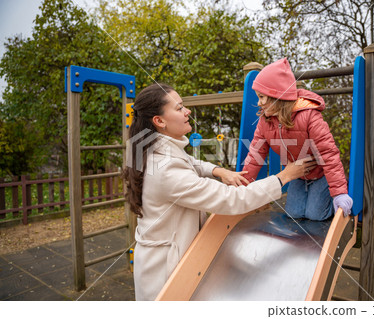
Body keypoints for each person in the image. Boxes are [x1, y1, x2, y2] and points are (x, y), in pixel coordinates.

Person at [123, 83, 314, 300]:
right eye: (179, 108)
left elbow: (189, 162)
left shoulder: (152, 148)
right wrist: (285, 176)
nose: (188, 112)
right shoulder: (166, 169)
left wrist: (218, 170)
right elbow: (231, 198)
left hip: (161, 253)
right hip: (165, 269)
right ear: (159, 121)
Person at [242, 57, 353, 221]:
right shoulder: (265, 122)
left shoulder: (309, 116)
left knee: (315, 215)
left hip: (321, 175)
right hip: (298, 177)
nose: (258, 103)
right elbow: (254, 156)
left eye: (261, 97)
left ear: (277, 96)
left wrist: (339, 192)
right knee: (294, 214)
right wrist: (242, 187)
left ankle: (333, 195)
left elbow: (328, 153)